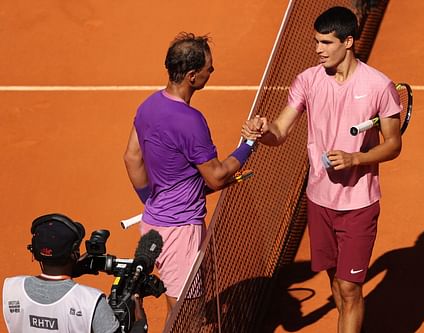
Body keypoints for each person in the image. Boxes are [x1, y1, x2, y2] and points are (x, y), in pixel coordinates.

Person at [242, 6, 402, 333]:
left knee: (349, 288)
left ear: (348, 42)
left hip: (358, 204)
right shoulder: (307, 80)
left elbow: (394, 144)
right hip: (318, 201)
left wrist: (356, 158)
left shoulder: (378, 85)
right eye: (316, 41)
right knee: (336, 283)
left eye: (326, 42)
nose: (318, 49)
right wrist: (263, 131)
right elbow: (281, 130)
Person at [123, 32, 255, 321]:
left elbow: (132, 157)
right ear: (192, 76)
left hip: (152, 225)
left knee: (180, 306)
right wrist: (248, 144)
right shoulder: (190, 121)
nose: (213, 71)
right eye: (209, 67)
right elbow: (217, 177)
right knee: (187, 316)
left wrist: (154, 201)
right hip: (181, 231)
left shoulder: (148, 106)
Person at [2, 213, 148, 333]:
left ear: (34, 252)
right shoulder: (90, 301)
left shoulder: (11, 288)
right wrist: (140, 321)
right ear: (74, 254)